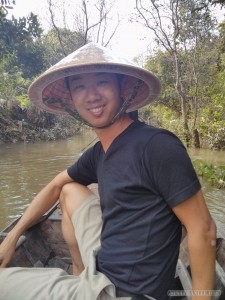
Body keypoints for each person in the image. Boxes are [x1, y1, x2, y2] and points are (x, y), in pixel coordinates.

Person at [0, 43, 216, 300]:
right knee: (69, 189)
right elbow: (56, 184)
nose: (91, 96)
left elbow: (204, 230)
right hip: (103, 264)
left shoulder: (156, 146)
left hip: (123, 293)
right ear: (70, 98)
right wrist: (13, 237)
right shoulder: (99, 151)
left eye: (102, 82)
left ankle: (85, 289)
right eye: (79, 86)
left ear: (123, 89)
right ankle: (81, 274)